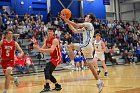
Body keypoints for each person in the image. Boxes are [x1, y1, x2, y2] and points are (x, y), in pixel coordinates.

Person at [61, 13, 104, 93]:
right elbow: (75, 30)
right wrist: (67, 22)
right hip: (89, 47)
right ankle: (99, 81)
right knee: (90, 66)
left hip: (86, 45)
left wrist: (66, 19)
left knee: (70, 46)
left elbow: (76, 25)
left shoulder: (89, 24)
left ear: (90, 19)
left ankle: (73, 63)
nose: (85, 17)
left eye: (87, 16)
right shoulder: (86, 27)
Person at [33, 27, 62, 93]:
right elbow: (42, 49)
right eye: (48, 31)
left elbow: (51, 50)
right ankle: (57, 86)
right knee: (49, 73)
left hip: (57, 57)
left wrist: (40, 50)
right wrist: (36, 47)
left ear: (53, 33)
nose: (49, 32)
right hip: (53, 58)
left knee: (46, 69)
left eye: (51, 31)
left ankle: (47, 87)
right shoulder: (46, 40)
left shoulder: (55, 40)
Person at [0, 28, 24, 93]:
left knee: (7, 74)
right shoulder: (2, 42)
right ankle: (15, 78)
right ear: (6, 35)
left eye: (11, 33)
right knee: (7, 76)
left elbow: (21, 51)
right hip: (3, 61)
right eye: (9, 33)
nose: (10, 35)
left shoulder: (14, 43)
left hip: (11, 61)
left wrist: (20, 55)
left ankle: (5, 91)